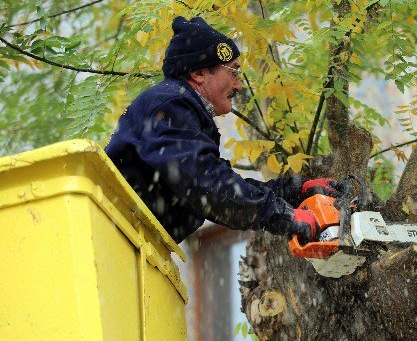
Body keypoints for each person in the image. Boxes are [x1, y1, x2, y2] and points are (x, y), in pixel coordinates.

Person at [105, 16, 338, 244]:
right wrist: (283, 216)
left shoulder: (179, 108)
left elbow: (218, 185)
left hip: (124, 241)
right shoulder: (171, 105)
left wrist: (295, 191)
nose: (239, 85)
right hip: (115, 240)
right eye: (234, 72)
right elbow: (209, 188)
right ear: (198, 73)